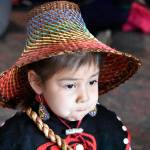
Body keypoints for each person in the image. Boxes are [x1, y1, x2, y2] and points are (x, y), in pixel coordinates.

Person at [0, 1, 141, 149]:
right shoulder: (15, 137)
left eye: (92, 82)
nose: (84, 97)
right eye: (70, 85)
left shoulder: (110, 127)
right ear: (37, 82)